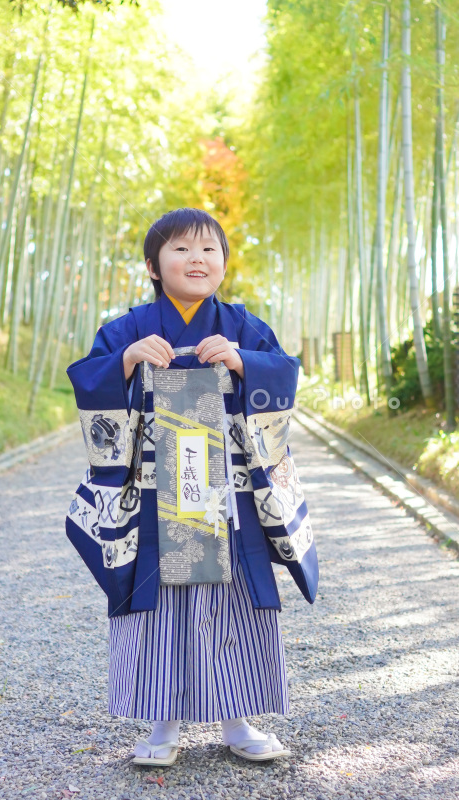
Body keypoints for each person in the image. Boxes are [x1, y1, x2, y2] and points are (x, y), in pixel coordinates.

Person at [65, 207, 318, 766]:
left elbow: (282, 372)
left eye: (209, 250)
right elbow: (90, 380)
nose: (196, 259)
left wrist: (246, 362)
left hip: (227, 499)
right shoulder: (127, 328)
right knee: (160, 602)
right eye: (180, 249)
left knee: (233, 601)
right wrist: (127, 362)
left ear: (224, 263)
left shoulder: (244, 326)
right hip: (156, 499)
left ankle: (239, 721)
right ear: (153, 266)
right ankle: (161, 726)